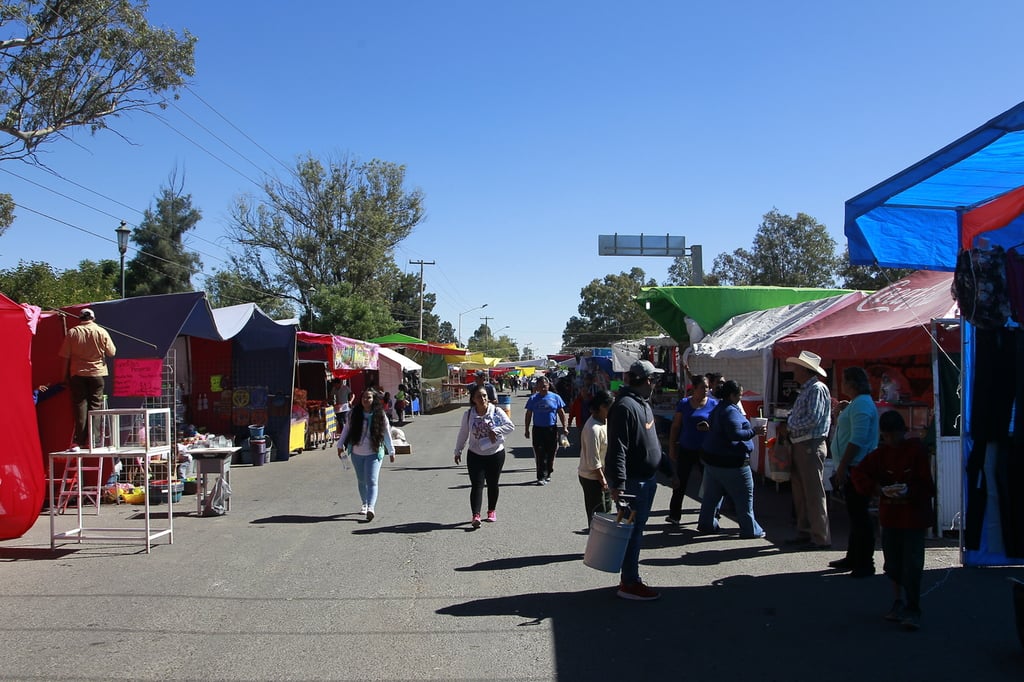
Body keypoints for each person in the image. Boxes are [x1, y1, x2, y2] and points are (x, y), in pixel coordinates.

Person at [852, 410, 934, 631]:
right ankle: (898, 601)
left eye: (893, 435)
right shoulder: (880, 454)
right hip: (890, 517)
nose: (890, 440)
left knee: (913, 564)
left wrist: (909, 490)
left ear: (902, 432)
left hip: (913, 517)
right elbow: (859, 474)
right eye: (886, 436)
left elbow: (927, 486)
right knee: (893, 563)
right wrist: (877, 489)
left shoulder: (916, 451)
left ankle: (913, 606)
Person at [606, 360, 670, 601]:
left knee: (637, 531)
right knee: (632, 533)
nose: (656, 384)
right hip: (633, 483)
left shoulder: (642, 404)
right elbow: (618, 449)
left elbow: (650, 442)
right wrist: (619, 485)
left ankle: (630, 578)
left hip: (647, 480)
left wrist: (668, 469)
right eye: (654, 379)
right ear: (647, 380)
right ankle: (630, 582)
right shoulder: (624, 406)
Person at [696, 380, 767, 538]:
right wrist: (754, 431)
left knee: (711, 497)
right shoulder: (730, 411)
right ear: (732, 395)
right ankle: (750, 529)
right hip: (733, 463)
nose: (740, 398)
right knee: (744, 497)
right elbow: (734, 434)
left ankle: (706, 524)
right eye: (739, 395)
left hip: (713, 460)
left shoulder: (718, 408)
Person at [778, 350, 832, 550]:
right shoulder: (808, 390)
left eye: (797, 368)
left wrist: (790, 425)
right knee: (801, 493)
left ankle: (820, 536)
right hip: (802, 443)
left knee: (813, 492)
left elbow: (813, 419)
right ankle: (806, 531)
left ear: (805, 370)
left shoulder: (816, 389)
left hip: (810, 444)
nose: (793, 371)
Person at [829, 366, 880, 577]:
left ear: (852, 383)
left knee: (860, 516)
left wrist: (842, 467)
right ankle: (853, 556)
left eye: (844, 380)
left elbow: (857, 439)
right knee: (855, 514)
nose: (842, 384)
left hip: (857, 466)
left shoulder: (862, 405)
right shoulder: (858, 404)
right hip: (852, 465)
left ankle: (865, 562)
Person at [454, 384, 515, 528]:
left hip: (495, 454)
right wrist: (458, 450)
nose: (482, 399)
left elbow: (510, 426)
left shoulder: (497, 411)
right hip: (475, 454)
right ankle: (476, 515)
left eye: (484, 396)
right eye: (479, 396)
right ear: (473, 399)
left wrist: (497, 430)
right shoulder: (469, 414)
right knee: (477, 485)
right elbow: (463, 433)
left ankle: (491, 510)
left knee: (493, 483)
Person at [58, 308, 116, 450]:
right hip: (97, 373)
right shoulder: (101, 331)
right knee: (95, 406)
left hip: (77, 374)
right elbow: (112, 352)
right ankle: (94, 440)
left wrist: (63, 375)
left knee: (80, 407)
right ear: (93, 318)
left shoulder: (73, 332)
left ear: (80, 318)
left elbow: (65, 356)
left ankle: (79, 441)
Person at [666, 373, 718, 526]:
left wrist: (710, 428)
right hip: (686, 448)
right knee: (680, 482)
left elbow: (719, 426)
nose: (706, 390)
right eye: (703, 387)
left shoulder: (714, 404)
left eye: (708, 387)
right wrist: (671, 447)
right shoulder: (684, 403)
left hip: (706, 450)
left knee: (709, 483)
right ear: (694, 388)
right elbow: (675, 426)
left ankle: (711, 514)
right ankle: (674, 515)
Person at [337, 390, 396, 522]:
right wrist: (339, 445)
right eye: (363, 397)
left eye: (368, 397)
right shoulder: (353, 413)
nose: (365, 400)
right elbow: (346, 429)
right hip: (357, 453)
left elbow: (386, 433)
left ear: (373, 399)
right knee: (362, 480)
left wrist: (391, 451)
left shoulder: (380, 415)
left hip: (374, 453)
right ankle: (364, 503)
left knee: (372, 481)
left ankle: (371, 507)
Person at [577, 389, 615, 530]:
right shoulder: (593, 428)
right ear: (602, 407)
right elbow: (593, 460)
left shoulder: (604, 422)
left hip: (603, 475)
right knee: (598, 515)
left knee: (607, 512)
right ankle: (596, 548)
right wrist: (603, 480)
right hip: (593, 478)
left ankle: (603, 546)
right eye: (610, 408)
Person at [523, 375, 568, 485]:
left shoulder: (555, 397)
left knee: (551, 452)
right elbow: (528, 414)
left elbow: (561, 413)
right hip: (538, 429)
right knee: (540, 453)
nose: (543, 388)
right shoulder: (533, 399)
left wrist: (565, 427)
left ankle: (548, 472)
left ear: (548, 385)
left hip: (551, 429)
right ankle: (540, 476)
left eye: (544, 386)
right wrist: (526, 429)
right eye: (540, 386)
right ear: (537, 387)